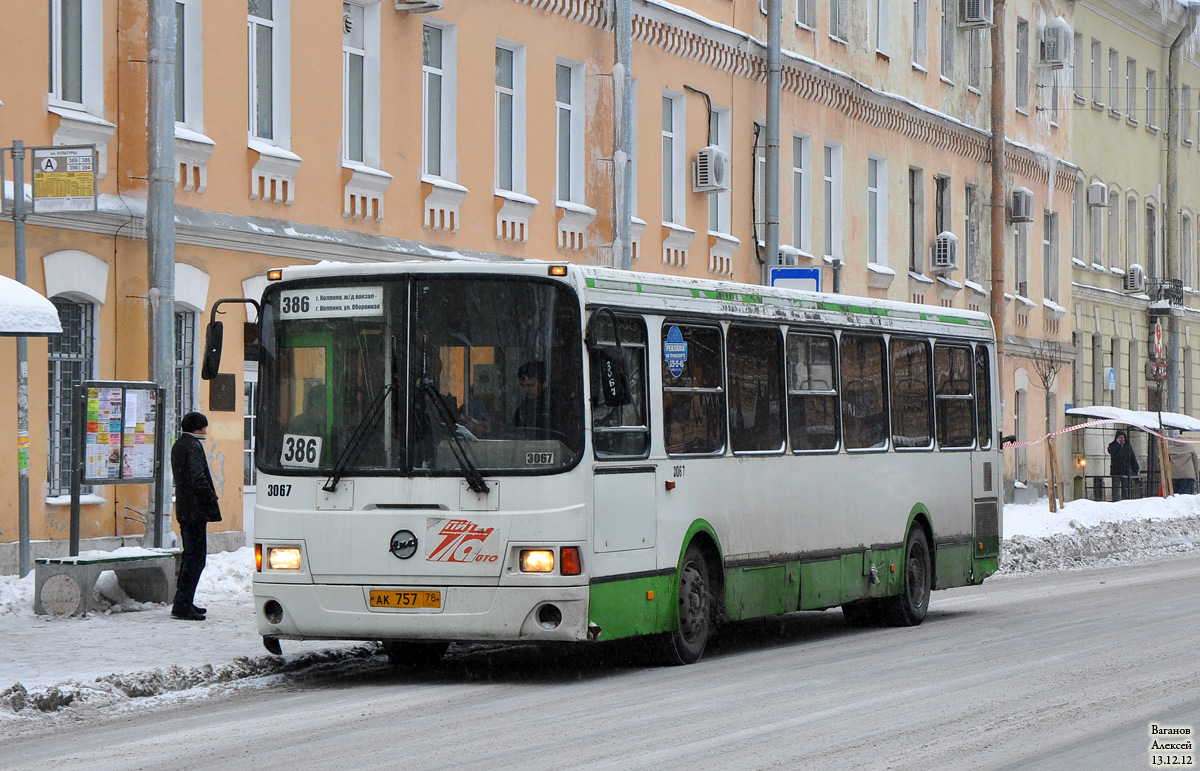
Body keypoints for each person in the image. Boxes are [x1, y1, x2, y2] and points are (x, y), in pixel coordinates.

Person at [170, 412, 222, 621]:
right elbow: (197, 478)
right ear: (197, 429)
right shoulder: (192, 446)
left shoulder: (179, 445)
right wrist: (211, 497)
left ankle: (183, 601)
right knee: (196, 559)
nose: (206, 432)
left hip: (185, 508)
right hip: (195, 510)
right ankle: (183, 604)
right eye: (203, 428)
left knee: (189, 556)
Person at [512, 359, 555, 438]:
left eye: (530, 385)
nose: (526, 390)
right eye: (523, 386)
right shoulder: (526, 405)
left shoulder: (554, 406)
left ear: (545, 383)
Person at [1108, 429, 1140, 502]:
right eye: (1120, 437)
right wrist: (1117, 444)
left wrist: (1135, 468)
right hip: (1116, 471)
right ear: (1117, 438)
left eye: (1123, 437)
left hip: (1125, 471)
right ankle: (1116, 501)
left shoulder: (1127, 446)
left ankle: (1125, 501)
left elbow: (1132, 457)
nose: (1122, 439)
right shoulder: (1112, 445)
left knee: (1125, 488)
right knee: (1116, 488)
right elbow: (1111, 451)